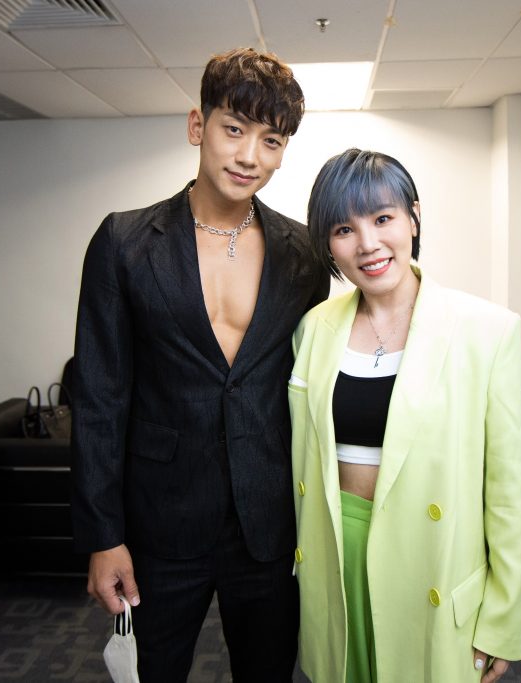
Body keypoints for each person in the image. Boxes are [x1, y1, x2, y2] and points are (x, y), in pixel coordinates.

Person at [71, 47, 329, 681]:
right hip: (160, 520)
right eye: (234, 129)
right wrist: (104, 536)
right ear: (198, 126)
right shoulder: (123, 242)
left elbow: (316, 381)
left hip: (268, 521)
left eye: (271, 140)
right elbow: (100, 399)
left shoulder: (303, 253)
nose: (249, 156)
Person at [288, 149, 521, 682]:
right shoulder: (313, 328)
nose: (367, 244)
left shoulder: (487, 331)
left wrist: (502, 618)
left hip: (431, 557)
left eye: (383, 219)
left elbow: (509, 493)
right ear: (328, 244)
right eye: (344, 229)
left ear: (413, 218)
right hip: (335, 544)